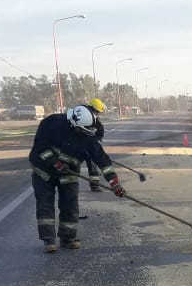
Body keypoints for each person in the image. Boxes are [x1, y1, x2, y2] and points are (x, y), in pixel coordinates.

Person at [28, 104, 131, 253]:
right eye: (85, 131)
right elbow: (40, 148)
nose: (88, 134)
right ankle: (48, 240)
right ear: (74, 125)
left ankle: (67, 238)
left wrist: (115, 183)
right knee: (45, 203)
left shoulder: (90, 133)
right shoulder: (51, 123)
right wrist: (55, 163)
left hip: (69, 171)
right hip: (43, 171)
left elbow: (103, 161)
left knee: (70, 205)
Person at [84, 98, 107, 192]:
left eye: (98, 112)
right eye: (97, 112)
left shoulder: (95, 119)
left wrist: (97, 141)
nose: (97, 114)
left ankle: (94, 185)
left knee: (92, 164)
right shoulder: (81, 116)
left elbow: (100, 130)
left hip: (88, 145)